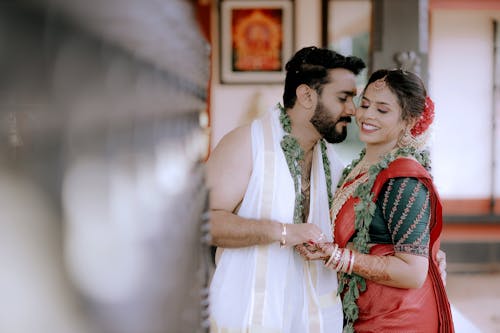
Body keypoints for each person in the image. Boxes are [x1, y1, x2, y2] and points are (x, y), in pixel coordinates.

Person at [207, 46, 366, 332]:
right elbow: (204, 223)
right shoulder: (245, 144)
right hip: (247, 316)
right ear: (306, 95)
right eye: (343, 98)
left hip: (310, 317)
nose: (352, 110)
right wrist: (282, 232)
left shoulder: (330, 160)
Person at [297, 69, 454, 332]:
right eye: (365, 104)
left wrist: (338, 257)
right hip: (363, 310)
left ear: (408, 120)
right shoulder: (363, 166)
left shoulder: (404, 179)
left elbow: (413, 273)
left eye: (382, 110)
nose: (367, 115)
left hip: (397, 319)